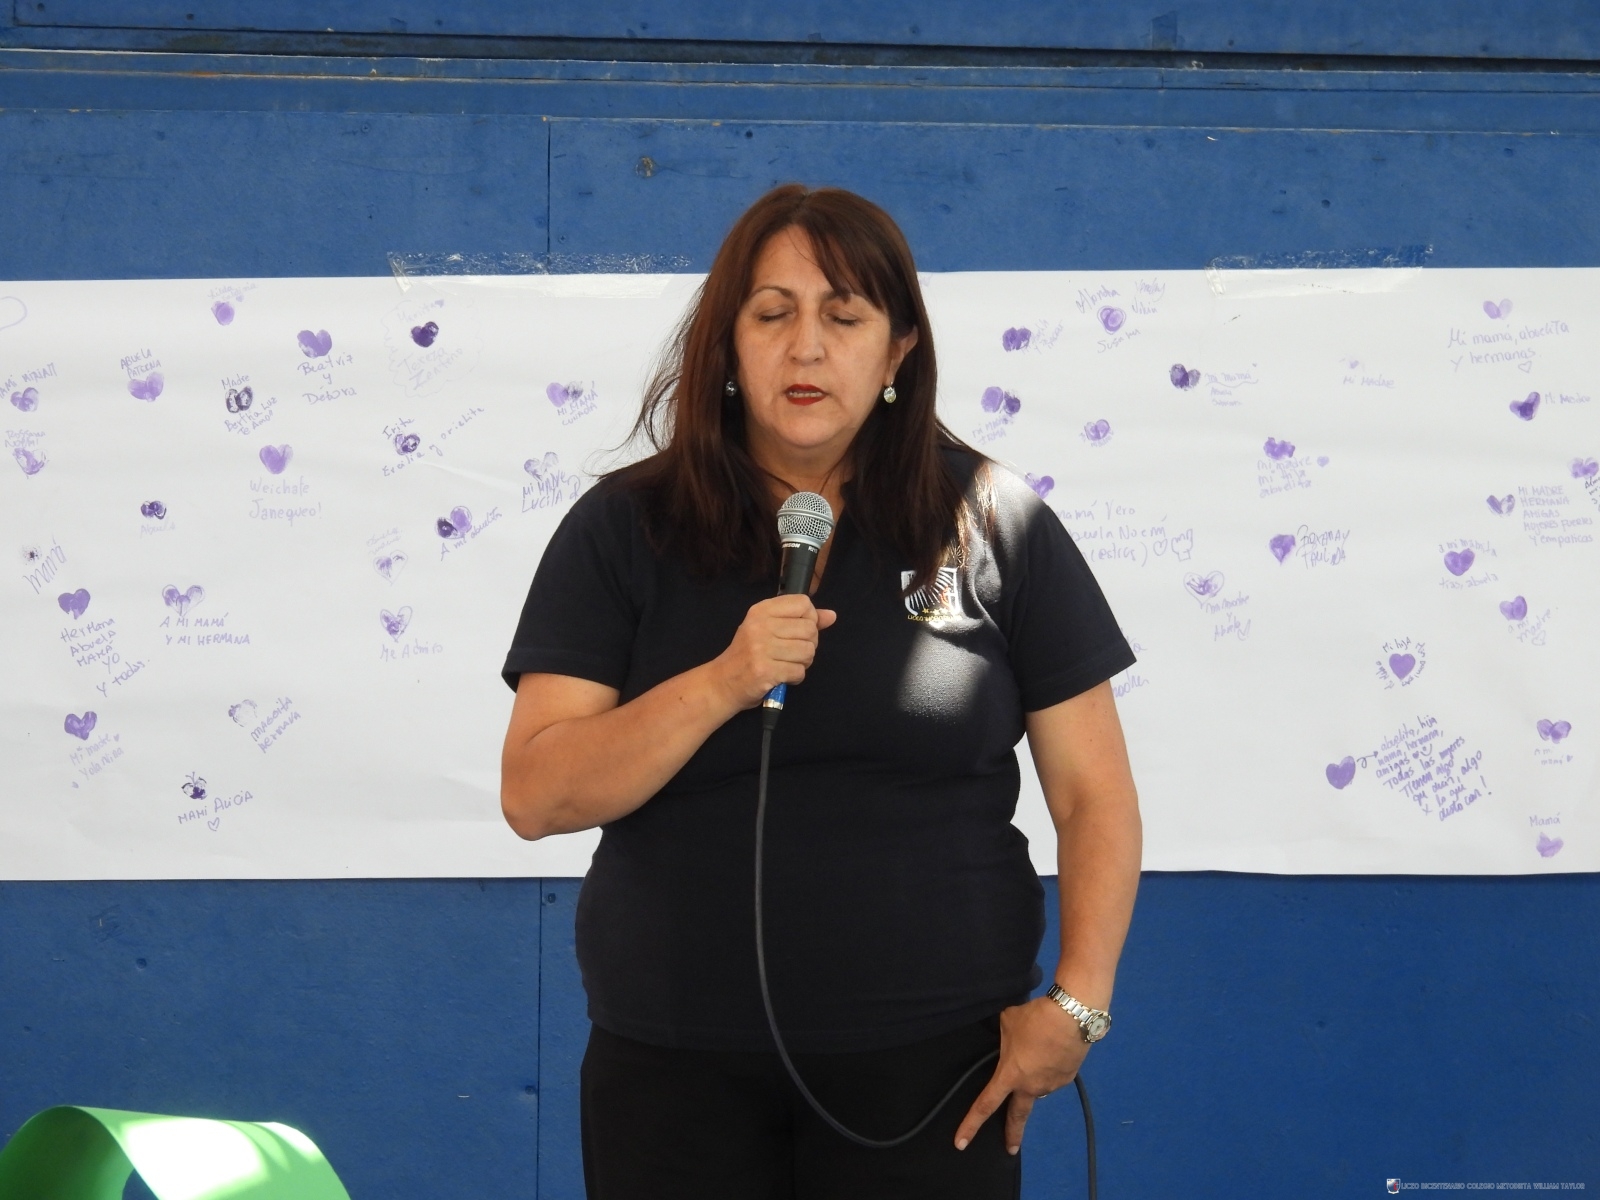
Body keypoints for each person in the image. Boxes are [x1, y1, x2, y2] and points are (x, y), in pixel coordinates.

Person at [500, 184, 1142, 1199]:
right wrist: (723, 680)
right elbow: (536, 796)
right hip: (673, 1073)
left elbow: (1093, 792)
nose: (806, 348)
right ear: (726, 345)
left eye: (843, 317)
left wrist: (1079, 1004)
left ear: (897, 353)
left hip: (935, 1069)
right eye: (772, 314)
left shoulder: (992, 521)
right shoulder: (622, 528)